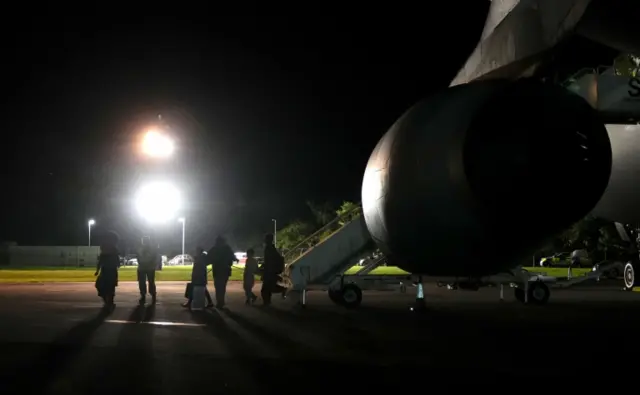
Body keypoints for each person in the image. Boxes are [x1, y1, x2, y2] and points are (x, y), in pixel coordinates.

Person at [208, 236, 238, 308]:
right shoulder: (227, 248)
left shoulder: (214, 248)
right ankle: (221, 301)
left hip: (217, 270)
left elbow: (209, 258)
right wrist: (234, 259)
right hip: (225, 270)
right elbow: (232, 257)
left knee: (218, 287)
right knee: (222, 287)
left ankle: (219, 302)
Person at [94, 231, 120, 309]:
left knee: (106, 286)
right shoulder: (112, 250)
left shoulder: (110, 251)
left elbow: (101, 261)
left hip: (108, 271)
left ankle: (108, 301)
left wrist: (98, 270)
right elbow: (117, 263)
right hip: (109, 270)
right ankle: (109, 301)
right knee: (108, 287)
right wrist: (98, 270)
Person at [261, 233, 284, 306]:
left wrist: (265, 266)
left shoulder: (269, 249)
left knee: (266, 289)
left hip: (269, 272)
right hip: (271, 271)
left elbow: (269, 261)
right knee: (268, 288)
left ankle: (283, 289)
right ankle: (267, 302)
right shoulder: (271, 248)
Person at [137, 239, 158, 305]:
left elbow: (154, 257)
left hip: (146, 267)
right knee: (145, 282)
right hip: (145, 267)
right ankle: (147, 295)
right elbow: (138, 257)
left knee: (148, 282)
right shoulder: (141, 249)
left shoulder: (141, 249)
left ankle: (149, 294)